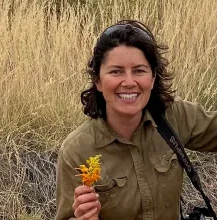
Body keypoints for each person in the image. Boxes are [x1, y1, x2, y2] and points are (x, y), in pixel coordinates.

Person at [55, 20, 217, 220]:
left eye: (139, 71)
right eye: (116, 71)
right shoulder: (77, 150)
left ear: (153, 77)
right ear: (97, 80)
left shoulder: (175, 116)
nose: (129, 82)